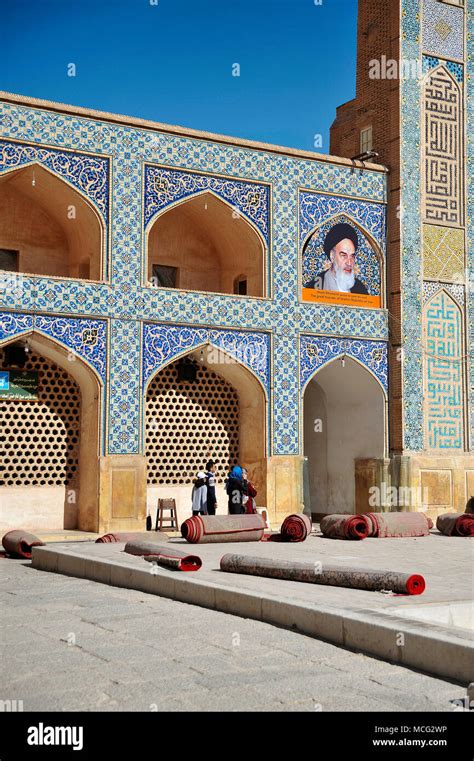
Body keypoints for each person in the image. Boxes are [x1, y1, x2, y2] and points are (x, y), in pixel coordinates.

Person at [304, 222, 368, 295]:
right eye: (343, 255)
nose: (349, 263)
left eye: (352, 256)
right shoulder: (316, 286)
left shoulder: (360, 289)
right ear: (332, 256)